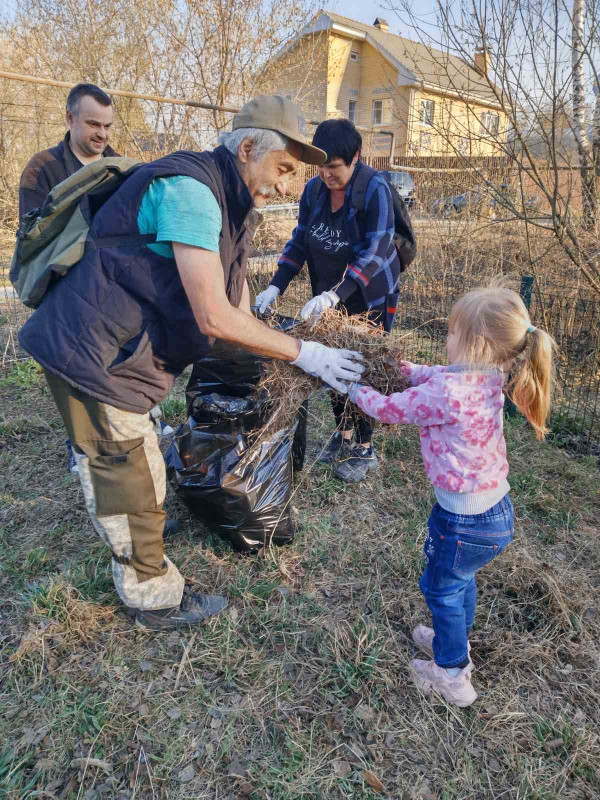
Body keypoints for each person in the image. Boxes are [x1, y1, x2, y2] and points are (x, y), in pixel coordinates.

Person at [18, 95, 364, 632]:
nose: (290, 187)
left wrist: (275, 352)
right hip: (94, 353)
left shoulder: (230, 198)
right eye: (285, 169)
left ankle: (144, 531)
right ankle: (151, 596)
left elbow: (238, 301)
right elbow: (214, 315)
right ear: (248, 148)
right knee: (124, 471)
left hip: (122, 350)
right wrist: (307, 353)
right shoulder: (194, 193)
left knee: (143, 462)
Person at [347, 283, 556, 706]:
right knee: (461, 581)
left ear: (474, 343)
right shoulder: (489, 376)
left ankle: (452, 674)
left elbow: (388, 409)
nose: (446, 340)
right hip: (495, 512)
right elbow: (437, 374)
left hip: (463, 521)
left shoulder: (448, 395)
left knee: (440, 588)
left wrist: (352, 387)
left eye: (452, 333)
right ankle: (452, 638)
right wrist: (404, 367)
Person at [255, 119, 406, 483]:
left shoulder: (374, 190)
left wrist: (336, 294)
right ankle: (343, 434)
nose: (327, 175)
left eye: (334, 167)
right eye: (321, 166)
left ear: (354, 157)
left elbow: (378, 250)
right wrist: (276, 286)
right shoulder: (313, 192)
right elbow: (301, 241)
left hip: (368, 294)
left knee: (363, 366)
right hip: (327, 294)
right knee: (332, 364)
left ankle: (364, 447)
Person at [19, 83, 119, 221]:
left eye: (107, 126)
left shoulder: (122, 168)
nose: (102, 134)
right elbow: (32, 237)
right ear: (70, 118)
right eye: (93, 124)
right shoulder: (41, 168)